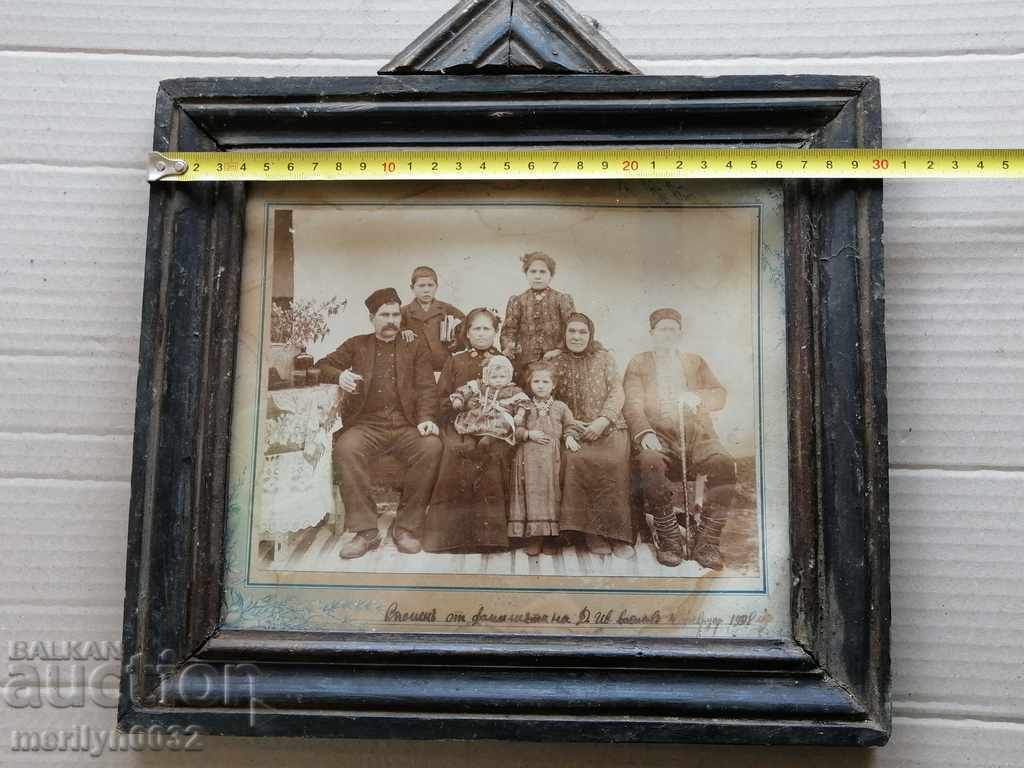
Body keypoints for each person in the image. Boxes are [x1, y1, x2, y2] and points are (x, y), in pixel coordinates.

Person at [314, 287, 442, 559]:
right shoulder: (356, 344)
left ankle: (406, 527)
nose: (391, 320)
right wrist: (339, 376)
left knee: (431, 447)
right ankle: (366, 531)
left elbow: (427, 388)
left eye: (396, 314)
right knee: (346, 449)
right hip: (367, 425)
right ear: (371, 317)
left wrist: (427, 419)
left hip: (406, 424)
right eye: (384, 315)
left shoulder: (414, 346)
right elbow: (322, 364)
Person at [622, 308, 737, 569]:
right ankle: (669, 536)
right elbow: (632, 403)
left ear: (680, 334)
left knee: (723, 463)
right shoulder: (639, 363)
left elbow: (719, 394)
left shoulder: (695, 361)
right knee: (650, 460)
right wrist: (645, 432)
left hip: (698, 434)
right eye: (662, 329)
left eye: (672, 329)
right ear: (652, 333)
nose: (667, 334)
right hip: (658, 434)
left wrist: (699, 397)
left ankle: (707, 539)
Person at [422, 308, 514, 553]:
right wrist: (457, 405)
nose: (482, 334)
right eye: (476, 328)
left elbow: (515, 395)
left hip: (494, 427)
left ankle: (489, 538)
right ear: (467, 333)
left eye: (487, 329)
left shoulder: (503, 362)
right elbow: (440, 398)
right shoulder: (455, 361)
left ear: (495, 332)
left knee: (492, 455)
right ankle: (449, 538)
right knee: (456, 450)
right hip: (459, 424)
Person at [551, 313, 635, 558]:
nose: (577, 337)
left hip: (608, 426)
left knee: (613, 461)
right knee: (577, 461)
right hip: (574, 428)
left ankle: (616, 533)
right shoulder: (556, 361)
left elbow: (617, 392)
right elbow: (549, 397)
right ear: (564, 335)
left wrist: (602, 420)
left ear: (591, 335)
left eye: (582, 332)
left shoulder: (605, 358)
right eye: (572, 332)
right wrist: (570, 423)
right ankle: (591, 532)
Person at [508, 361, 581, 556]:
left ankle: (551, 537)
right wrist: (528, 434)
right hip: (528, 461)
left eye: (545, 381)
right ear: (530, 384)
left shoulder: (560, 407)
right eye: (536, 381)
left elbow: (570, 425)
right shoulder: (524, 406)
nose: (540, 385)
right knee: (532, 495)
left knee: (551, 495)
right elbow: (514, 430)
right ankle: (534, 537)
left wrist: (571, 436)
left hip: (552, 460)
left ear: (554, 384)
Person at [500, 251, 576, 380]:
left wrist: (559, 350)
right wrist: (510, 347)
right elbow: (508, 331)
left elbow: (572, 329)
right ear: (526, 274)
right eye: (533, 272)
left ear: (550, 275)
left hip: (556, 361)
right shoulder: (518, 301)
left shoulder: (561, 300)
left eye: (542, 272)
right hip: (525, 364)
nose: (537, 276)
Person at [449, 355, 531, 446]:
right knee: (469, 424)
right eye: (494, 377)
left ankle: (489, 440)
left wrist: (519, 414)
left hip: (499, 417)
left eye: (502, 377)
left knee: (499, 428)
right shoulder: (482, 385)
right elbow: (467, 389)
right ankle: (470, 440)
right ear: (487, 376)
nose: (498, 381)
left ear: (509, 376)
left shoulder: (513, 390)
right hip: (480, 414)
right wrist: (459, 398)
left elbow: (522, 402)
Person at [400, 265, 465, 374]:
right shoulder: (404, 312)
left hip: (443, 366)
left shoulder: (446, 308)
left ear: (436, 287)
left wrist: (457, 341)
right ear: (412, 288)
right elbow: (392, 330)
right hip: (415, 368)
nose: (426, 290)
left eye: (430, 285)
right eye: (421, 286)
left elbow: (466, 325)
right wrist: (403, 331)